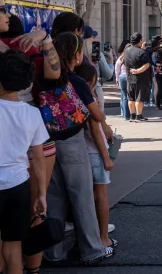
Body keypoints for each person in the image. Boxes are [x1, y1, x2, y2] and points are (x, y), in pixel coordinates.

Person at [44, 32, 113, 265]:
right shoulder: (77, 81)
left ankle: (52, 253)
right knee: (82, 195)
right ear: (75, 55)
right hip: (73, 141)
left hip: (47, 142)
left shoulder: (44, 78)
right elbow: (96, 114)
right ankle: (92, 250)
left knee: (53, 198)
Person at [0, 14, 61, 273]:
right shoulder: (27, 46)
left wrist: (44, 38)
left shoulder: (23, 44)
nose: (6, 13)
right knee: (29, 220)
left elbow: (54, 73)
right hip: (22, 168)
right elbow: (55, 73)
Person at [0, 51, 48, 274]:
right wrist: (41, 194)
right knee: (13, 248)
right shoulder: (32, 113)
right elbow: (38, 157)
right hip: (19, 185)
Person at [74, 64, 117, 250]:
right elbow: (96, 131)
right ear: (91, 80)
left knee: (84, 197)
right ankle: (103, 237)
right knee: (100, 195)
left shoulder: (73, 97)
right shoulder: (89, 99)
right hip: (95, 153)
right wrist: (106, 157)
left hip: (81, 152)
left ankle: (87, 236)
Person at [83, 25, 114, 109]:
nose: (94, 39)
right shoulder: (96, 53)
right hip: (94, 87)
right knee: (97, 116)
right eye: (93, 36)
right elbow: (108, 74)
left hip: (75, 87)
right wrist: (111, 61)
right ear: (90, 38)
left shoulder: (73, 51)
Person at [123, 33, 151, 122]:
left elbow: (124, 62)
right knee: (139, 98)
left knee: (131, 98)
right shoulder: (142, 52)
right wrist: (137, 71)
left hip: (129, 77)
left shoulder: (126, 51)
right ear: (140, 41)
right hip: (140, 78)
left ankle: (132, 115)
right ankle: (139, 116)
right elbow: (146, 65)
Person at [115, 43, 130, 121]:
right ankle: (129, 114)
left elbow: (117, 70)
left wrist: (117, 79)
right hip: (129, 76)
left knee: (124, 96)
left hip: (122, 76)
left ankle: (124, 114)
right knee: (129, 96)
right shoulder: (131, 58)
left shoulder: (121, 58)